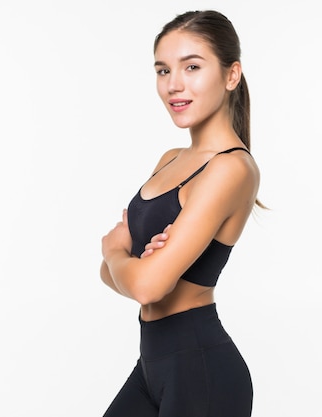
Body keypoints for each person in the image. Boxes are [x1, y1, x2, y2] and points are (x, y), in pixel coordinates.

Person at [100, 9, 262, 417]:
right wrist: (127, 266)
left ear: (231, 75)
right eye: (162, 69)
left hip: (201, 373)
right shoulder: (169, 160)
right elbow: (119, 278)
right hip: (151, 367)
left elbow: (148, 287)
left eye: (192, 67)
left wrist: (116, 251)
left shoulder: (231, 168)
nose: (174, 85)